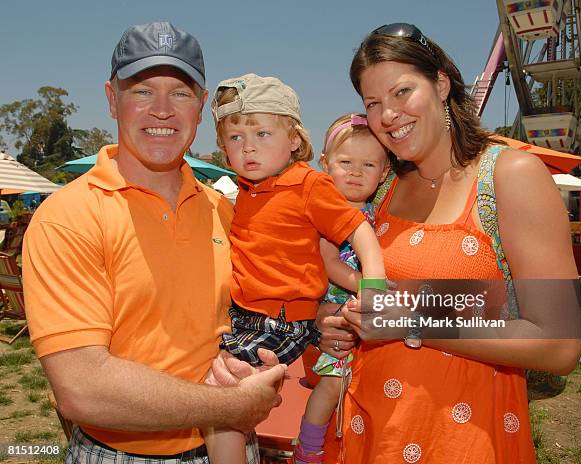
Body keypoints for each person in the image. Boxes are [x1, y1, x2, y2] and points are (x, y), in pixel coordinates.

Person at [22, 22, 286, 464]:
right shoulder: (67, 218)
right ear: (112, 99)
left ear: (202, 107)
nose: (162, 110)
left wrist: (320, 324)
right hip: (121, 454)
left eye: (180, 93)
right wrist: (234, 406)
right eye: (142, 90)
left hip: (230, 446)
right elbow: (83, 388)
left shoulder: (225, 211)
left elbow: (252, 313)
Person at [319, 23, 581, 463]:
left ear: (441, 83)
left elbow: (559, 343)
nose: (388, 116)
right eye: (373, 103)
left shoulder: (509, 175)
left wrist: (413, 317)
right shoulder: (380, 191)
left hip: (462, 442)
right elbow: (357, 293)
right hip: (366, 435)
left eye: (402, 92)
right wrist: (337, 323)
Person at [206, 75, 387, 462]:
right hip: (245, 315)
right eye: (235, 138)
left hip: (283, 319)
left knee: (223, 399)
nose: (248, 147)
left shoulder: (307, 184)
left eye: (263, 134)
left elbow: (357, 230)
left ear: (294, 140)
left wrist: (373, 283)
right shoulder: (247, 192)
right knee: (208, 383)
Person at [293, 113, 389, 464]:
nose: (356, 172)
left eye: (368, 164)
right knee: (332, 383)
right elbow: (330, 264)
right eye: (345, 162)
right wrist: (370, 286)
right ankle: (308, 444)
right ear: (325, 164)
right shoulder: (327, 210)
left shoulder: (375, 210)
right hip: (338, 308)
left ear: (383, 172)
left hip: (361, 309)